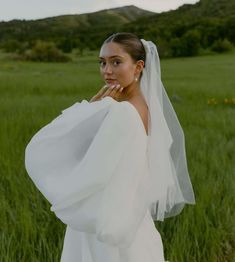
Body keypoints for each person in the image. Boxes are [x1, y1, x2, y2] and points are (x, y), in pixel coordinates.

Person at [25, 32, 195, 262]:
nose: (107, 70)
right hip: (129, 211)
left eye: (116, 62)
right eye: (102, 62)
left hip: (103, 212)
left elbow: (56, 148)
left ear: (138, 67)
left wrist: (90, 110)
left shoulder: (122, 111)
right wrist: (97, 109)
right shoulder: (141, 104)